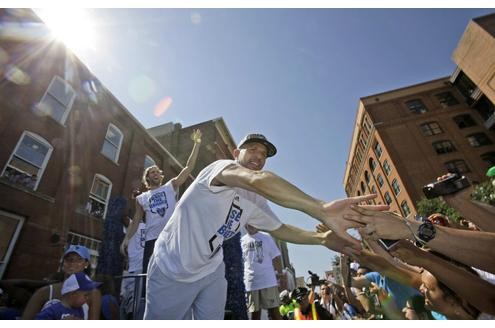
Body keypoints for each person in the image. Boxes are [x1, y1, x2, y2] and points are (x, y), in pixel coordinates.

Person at [143, 133, 386, 319]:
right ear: (237, 152)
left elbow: (280, 229)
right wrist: (320, 208)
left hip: (210, 271)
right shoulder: (219, 168)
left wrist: (320, 239)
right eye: (253, 150)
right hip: (172, 268)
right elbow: (258, 180)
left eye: (263, 155)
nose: (258, 156)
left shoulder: (254, 200)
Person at [120, 129, 202, 273]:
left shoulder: (170, 187)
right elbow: (136, 221)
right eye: (152, 172)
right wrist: (127, 239)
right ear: (147, 178)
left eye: (158, 171)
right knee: (149, 277)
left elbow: (188, 168)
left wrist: (197, 143)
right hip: (151, 241)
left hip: (171, 238)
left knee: (173, 275)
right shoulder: (142, 198)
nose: (156, 173)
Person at [22, 245, 101, 320]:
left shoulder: (93, 293)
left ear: (86, 264)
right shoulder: (45, 292)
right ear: (63, 263)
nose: (72, 262)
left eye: (79, 259)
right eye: (69, 259)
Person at [241, 224, 283, 320]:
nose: (250, 225)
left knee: (274, 313)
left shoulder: (266, 237)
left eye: (252, 222)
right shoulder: (242, 241)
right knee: (254, 315)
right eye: (247, 223)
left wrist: (280, 274)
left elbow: (276, 257)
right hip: (251, 284)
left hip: (268, 281)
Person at [35, 272, 101, 320]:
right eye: (85, 295)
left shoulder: (80, 310)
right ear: (73, 294)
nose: (88, 298)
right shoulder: (52, 310)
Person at [119, 215, 145, 319]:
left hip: (138, 271)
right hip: (137, 271)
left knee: (134, 308)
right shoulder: (134, 225)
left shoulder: (134, 225)